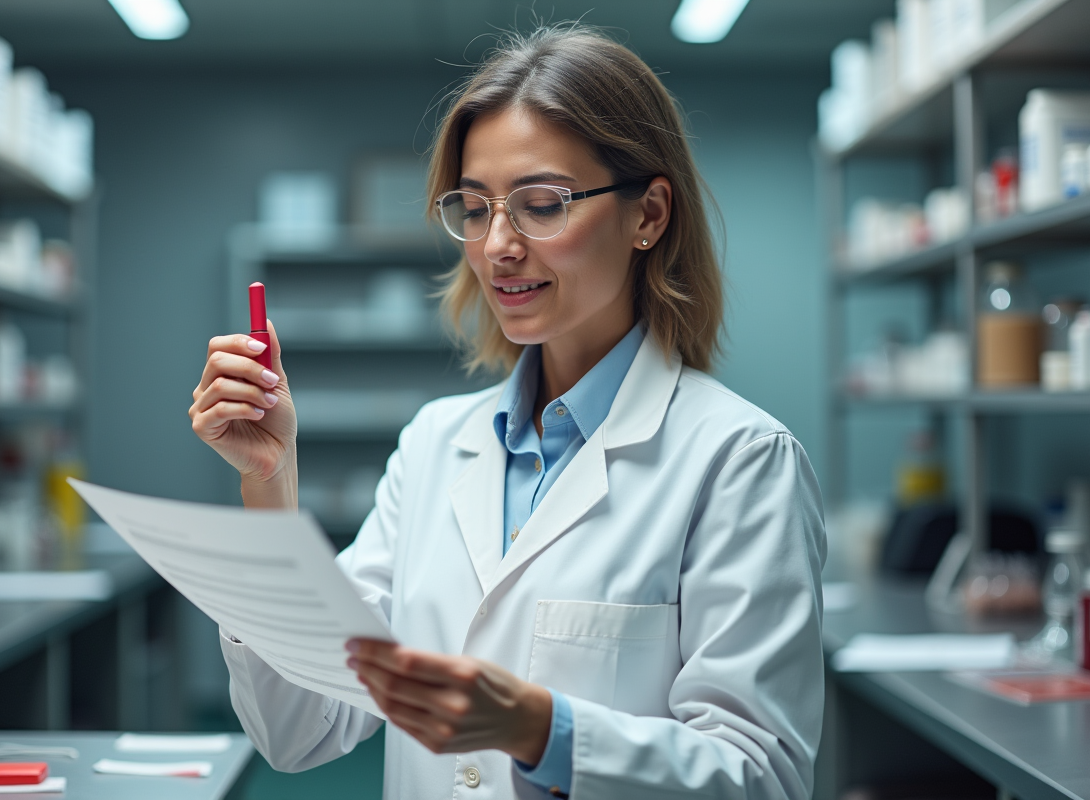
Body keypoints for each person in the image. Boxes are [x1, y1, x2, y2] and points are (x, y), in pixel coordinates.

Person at [188, 23, 826, 800]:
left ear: (649, 215)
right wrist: (269, 486)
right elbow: (301, 728)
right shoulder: (433, 446)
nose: (498, 246)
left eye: (542, 204)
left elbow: (762, 777)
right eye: (476, 207)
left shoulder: (740, 458)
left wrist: (540, 730)